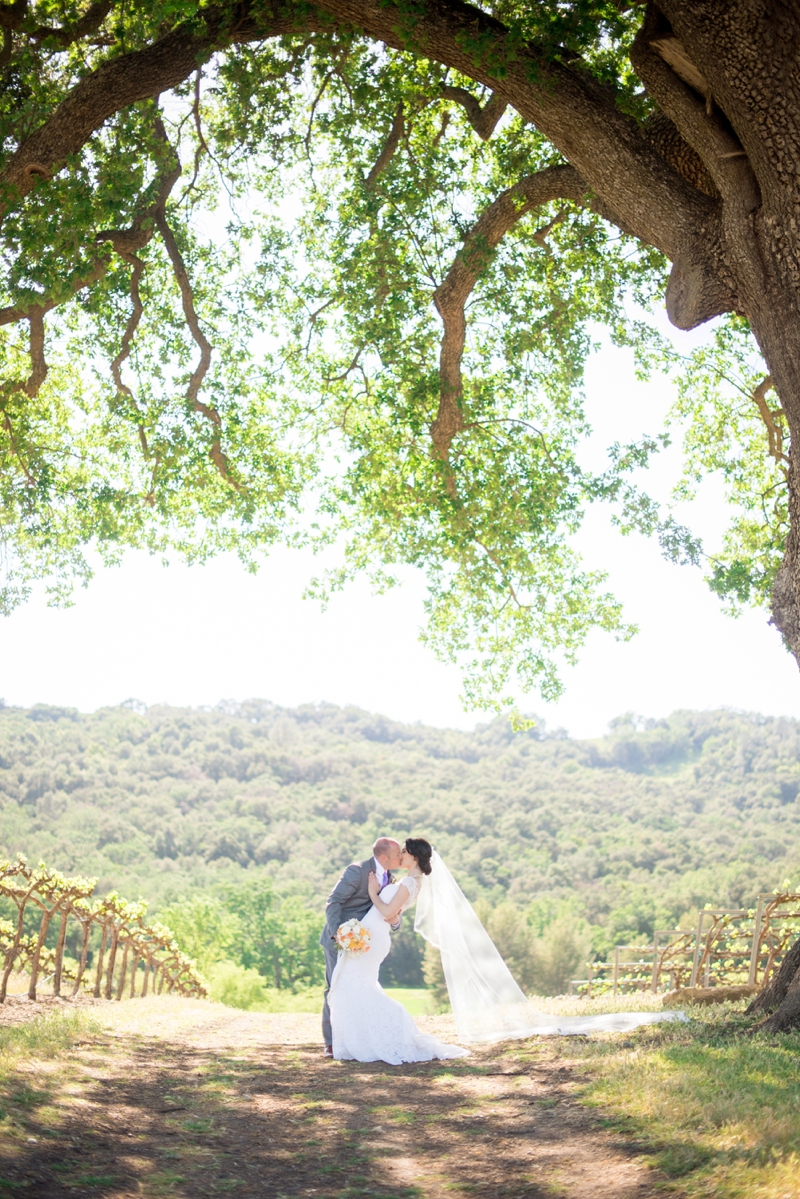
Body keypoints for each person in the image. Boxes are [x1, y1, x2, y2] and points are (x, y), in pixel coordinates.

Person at [327, 837, 470, 1063]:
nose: (400, 855)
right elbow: (393, 915)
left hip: (371, 941)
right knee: (355, 986)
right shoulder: (407, 881)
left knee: (351, 985)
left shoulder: (409, 882)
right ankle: (358, 1039)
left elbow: (387, 912)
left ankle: (394, 1022)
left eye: (404, 851)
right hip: (369, 938)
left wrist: (374, 893)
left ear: (413, 856)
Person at [320, 836, 404, 1057]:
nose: (401, 857)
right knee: (334, 987)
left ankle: (357, 1038)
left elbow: (388, 911)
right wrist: (338, 934)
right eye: (397, 854)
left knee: (359, 988)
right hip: (339, 940)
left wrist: (395, 922)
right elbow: (334, 902)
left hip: (365, 946)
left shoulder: (390, 878)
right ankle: (331, 1042)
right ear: (384, 857)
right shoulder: (356, 871)